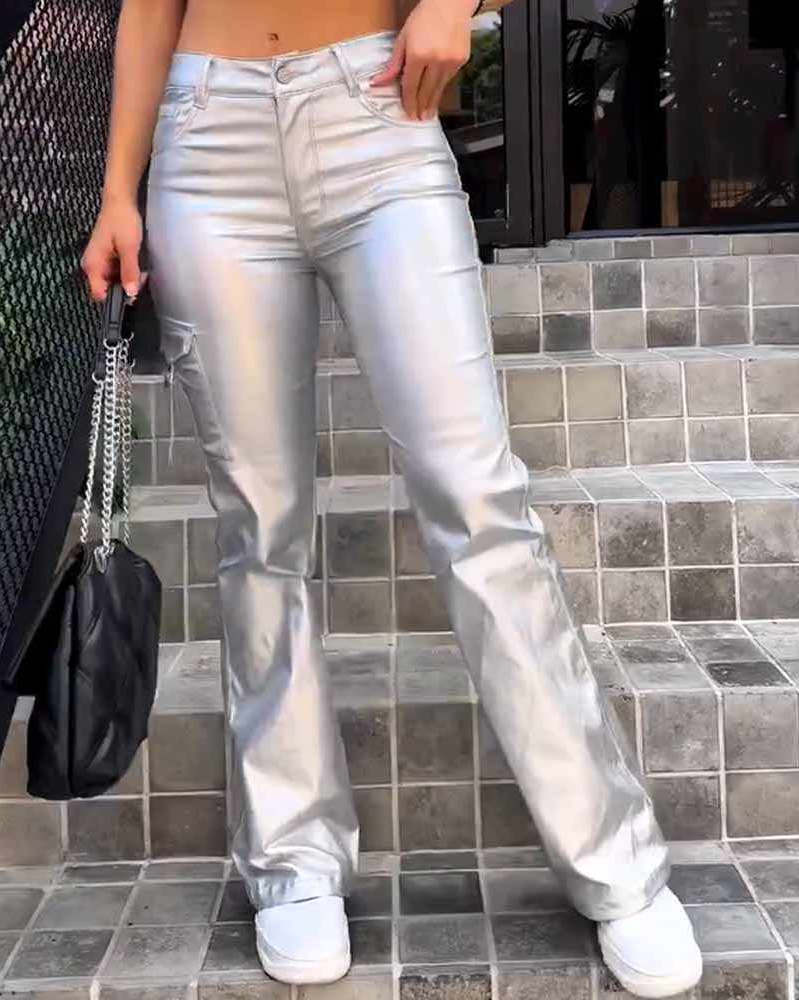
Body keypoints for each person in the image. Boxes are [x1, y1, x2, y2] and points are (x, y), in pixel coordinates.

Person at [82, 1, 703, 994]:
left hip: (377, 117)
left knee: (476, 500)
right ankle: (292, 857)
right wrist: (119, 188)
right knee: (259, 525)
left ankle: (616, 860)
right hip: (206, 137)